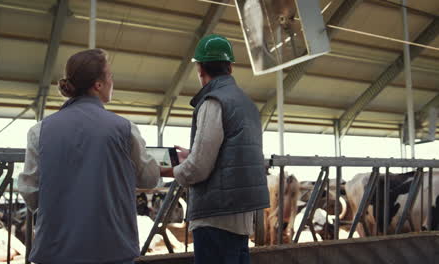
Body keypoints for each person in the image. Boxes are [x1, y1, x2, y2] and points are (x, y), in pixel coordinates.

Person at [18, 49, 166, 264]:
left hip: (55, 251)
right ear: (98, 84)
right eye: (110, 76)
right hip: (112, 250)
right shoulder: (125, 129)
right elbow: (149, 178)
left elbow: (30, 191)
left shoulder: (39, 131)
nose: (112, 81)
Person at [164, 34, 270, 264]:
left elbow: (198, 169)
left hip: (215, 217)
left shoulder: (214, 102)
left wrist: (171, 171)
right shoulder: (246, 103)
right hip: (241, 217)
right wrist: (193, 154)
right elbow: (234, 151)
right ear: (230, 67)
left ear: (200, 69)